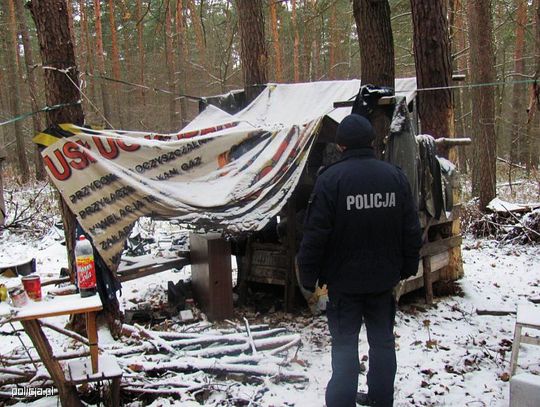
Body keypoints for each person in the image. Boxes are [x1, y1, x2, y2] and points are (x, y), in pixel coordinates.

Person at [297, 114, 422, 407]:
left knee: (344, 348)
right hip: (383, 281)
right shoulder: (395, 177)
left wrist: (307, 275)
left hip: (344, 286)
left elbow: (315, 234)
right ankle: (382, 400)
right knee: (382, 345)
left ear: (340, 145)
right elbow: (411, 229)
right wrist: (407, 266)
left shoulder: (330, 180)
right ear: (371, 141)